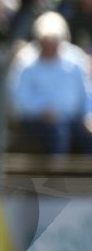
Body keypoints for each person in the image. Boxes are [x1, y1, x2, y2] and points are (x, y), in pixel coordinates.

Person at [10, 12, 92, 155]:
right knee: (58, 133)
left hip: (73, 120)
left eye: (53, 41)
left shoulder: (75, 59)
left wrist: (88, 117)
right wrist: (41, 111)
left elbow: (86, 94)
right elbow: (19, 98)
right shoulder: (26, 61)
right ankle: (58, 176)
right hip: (36, 121)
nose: (49, 45)